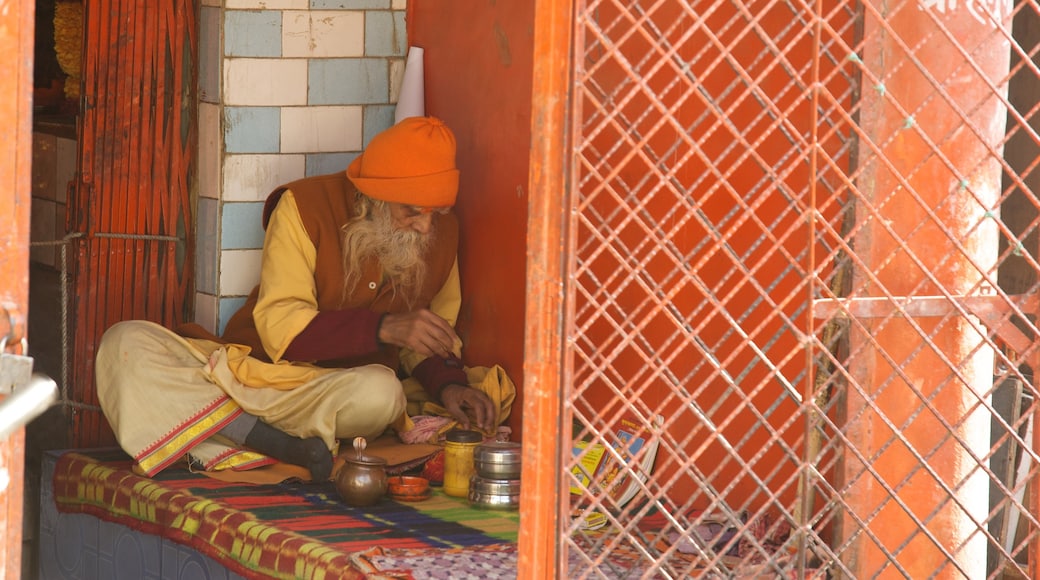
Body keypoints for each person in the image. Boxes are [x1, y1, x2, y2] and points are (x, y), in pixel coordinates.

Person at [96, 116, 514, 482]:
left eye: (435, 213)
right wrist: (385, 328)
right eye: (412, 212)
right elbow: (281, 327)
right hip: (252, 377)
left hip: (329, 395)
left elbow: (427, 339)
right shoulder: (304, 207)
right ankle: (279, 445)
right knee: (124, 343)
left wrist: (450, 387)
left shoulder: (443, 234)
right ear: (374, 198)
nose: (426, 228)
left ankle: (228, 435)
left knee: (383, 394)